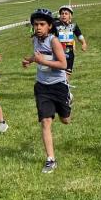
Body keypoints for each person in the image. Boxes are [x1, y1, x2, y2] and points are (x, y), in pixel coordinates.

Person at [22, 9, 70, 173]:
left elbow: (63, 65)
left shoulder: (54, 41)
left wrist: (43, 61)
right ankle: (51, 159)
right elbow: (38, 56)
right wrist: (30, 60)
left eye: (42, 24)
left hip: (59, 85)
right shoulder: (35, 39)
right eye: (36, 25)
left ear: (50, 26)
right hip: (42, 86)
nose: (38, 27)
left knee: (65, 120)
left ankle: (68, 97)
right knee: (46, 121)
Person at [55, 6, 88, 82]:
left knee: (68, 72)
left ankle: (66, 88)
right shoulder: (55, 25)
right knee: (59, 72)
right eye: (62, 13)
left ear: (70, 15)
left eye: (66, 13)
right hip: (58, 51)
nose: (64, 15)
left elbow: (79, 35)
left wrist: (84, 43)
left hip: (70, 51)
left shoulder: (74, 25)